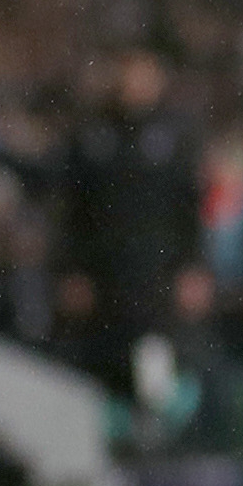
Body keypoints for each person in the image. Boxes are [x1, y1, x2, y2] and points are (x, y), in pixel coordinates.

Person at [51, 49, 201, 411]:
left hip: (155, 275)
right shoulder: (91, 134)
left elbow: (188, 208)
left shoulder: (177, 137)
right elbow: (74, 210)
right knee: (101, 360)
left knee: (155, 356)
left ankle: (155, 436)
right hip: (103, 273)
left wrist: (193, 266)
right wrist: (72, 269)